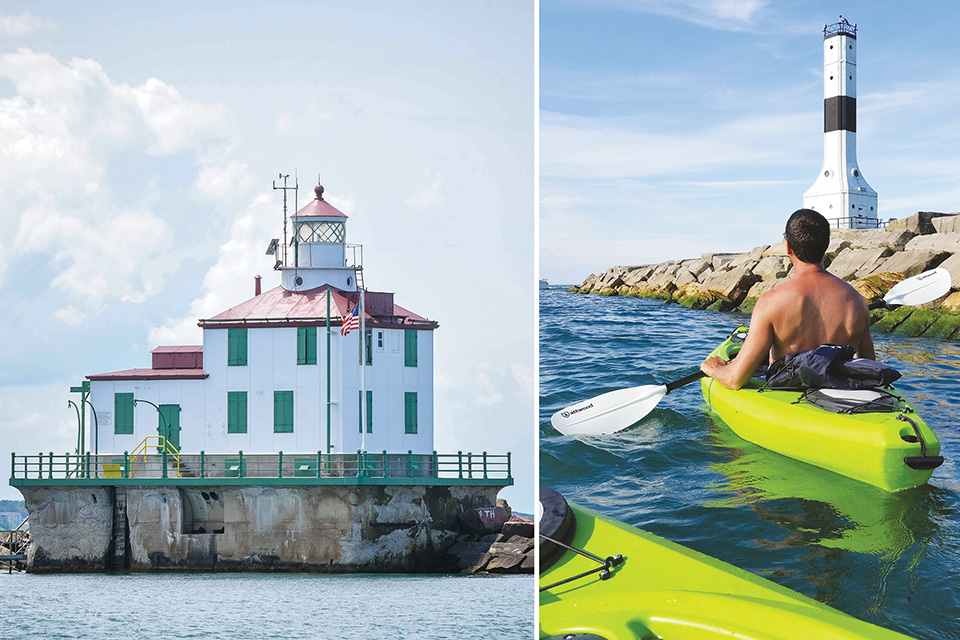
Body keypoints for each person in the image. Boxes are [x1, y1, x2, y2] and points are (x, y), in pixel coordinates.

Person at [700, 208, 875, 390]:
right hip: (838, 396)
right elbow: (868, 366)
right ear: (826, 245)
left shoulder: (771, 302)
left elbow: (735, 379)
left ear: (788, 246)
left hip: (787, 396)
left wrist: (713, 369)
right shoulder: (857, 301)